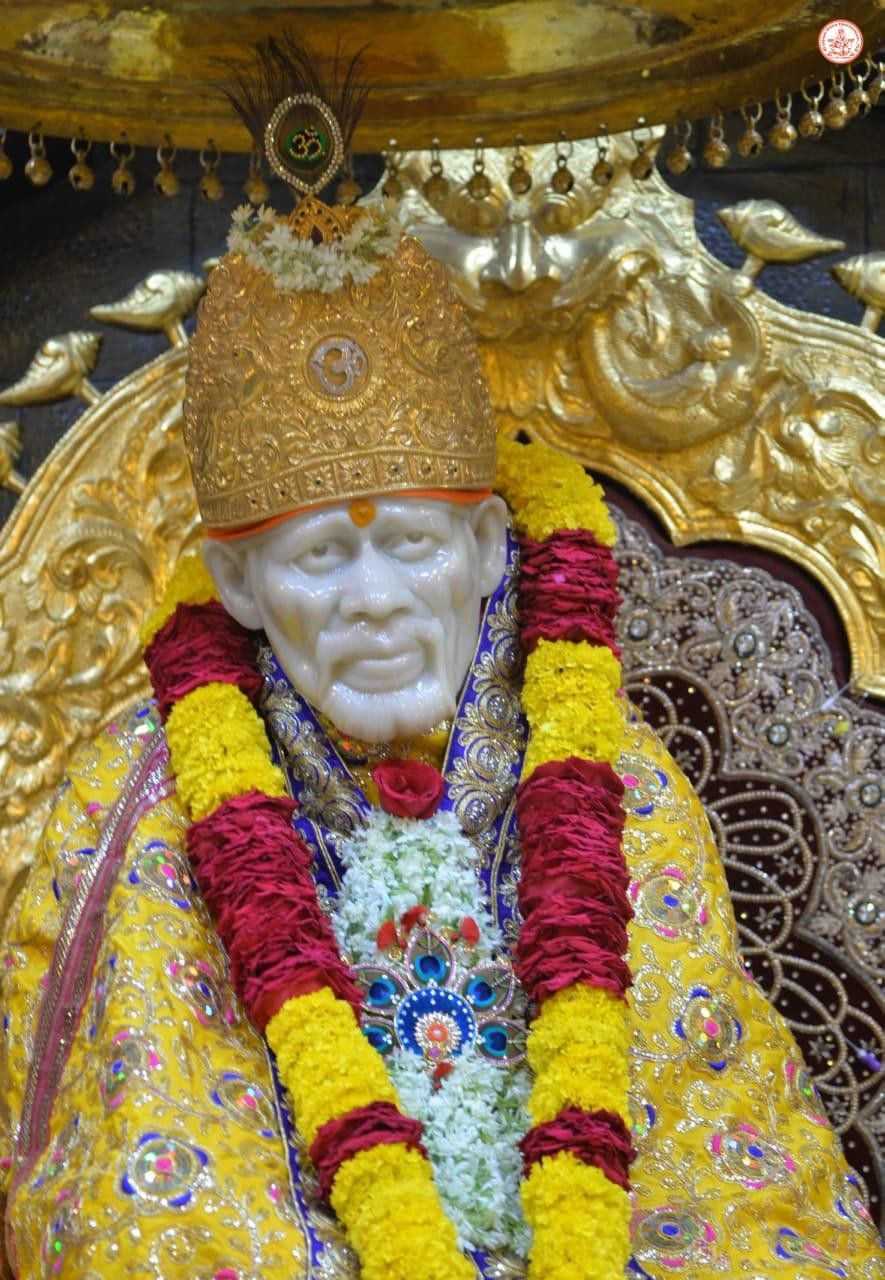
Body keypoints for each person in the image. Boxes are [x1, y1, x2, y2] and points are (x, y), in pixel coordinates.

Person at [1, 42, 881, 1280]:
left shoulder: (622, 791)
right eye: (316, 561)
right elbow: (150, 1193)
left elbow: (738, 1175)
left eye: (410, 544)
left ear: (485, 546)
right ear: (240, 583)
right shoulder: (139, 819)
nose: (372, 602)